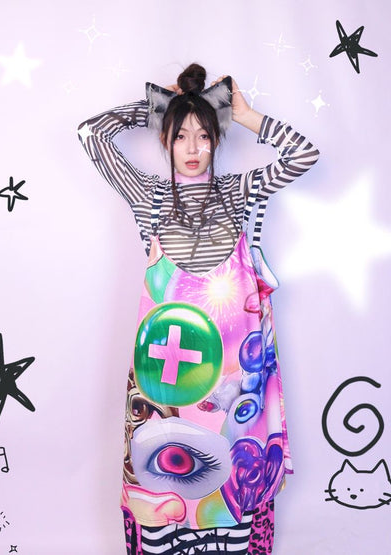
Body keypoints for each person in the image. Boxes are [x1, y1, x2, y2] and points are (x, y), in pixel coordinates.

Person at [78, 63, 319, 555]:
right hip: (163, 379)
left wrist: (246, 115)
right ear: (165, 140)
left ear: (217, 140)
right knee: (162, 472)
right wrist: (155, 108)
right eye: (180, 135)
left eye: (204, 135)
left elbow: (305, 154)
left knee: (230, 474)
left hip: (233, 382)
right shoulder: (148, 195)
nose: (192, 148)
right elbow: (90, 133)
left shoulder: (238, 193)